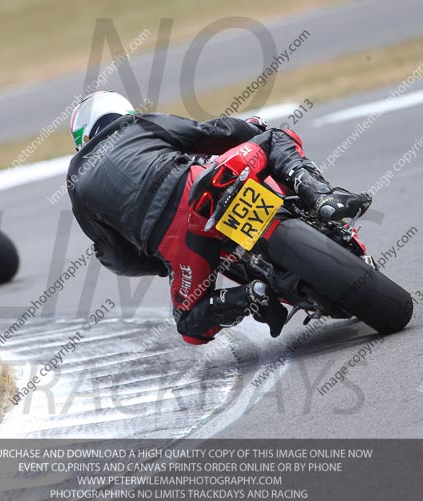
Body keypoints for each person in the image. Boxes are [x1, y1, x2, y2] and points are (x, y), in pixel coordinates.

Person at [67, 91, 371, 345]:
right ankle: (321, 197)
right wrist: (251, 129)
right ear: (123, 111)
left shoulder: (77, 181)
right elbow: (209, 133)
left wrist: (163, 263)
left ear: (82, 138)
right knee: (276, 138)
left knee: (190, 326)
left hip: (176, 242)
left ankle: (249, 295)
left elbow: (116, 257)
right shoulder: (138, 124)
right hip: (199, 187)